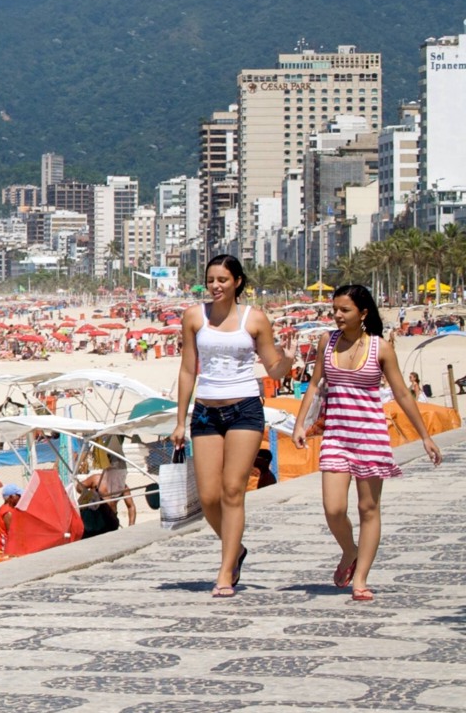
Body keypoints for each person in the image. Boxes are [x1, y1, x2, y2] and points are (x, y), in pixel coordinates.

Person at [292, 281, 442, 604]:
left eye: (344, 310)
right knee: (334, 509)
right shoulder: (326, 342)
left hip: (370, 436)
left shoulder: (379, 347)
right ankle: (351, 551)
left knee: (368, 508)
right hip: (336, 436)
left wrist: (426, 437)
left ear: (363, 313)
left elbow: (402, 392)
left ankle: (360, 578)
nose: (337, 316)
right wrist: (300, 425)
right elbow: (315, 385)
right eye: (334, 310)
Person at [169, 254, 294, 597]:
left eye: (223, 279)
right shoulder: (195, 316)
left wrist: (289, 359)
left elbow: (273, 369)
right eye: (211, 280)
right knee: (209, 496)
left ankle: (225, 572)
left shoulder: (254, 319)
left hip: (245, 410)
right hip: (206, 411)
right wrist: (181, 419)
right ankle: (235, 548)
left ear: (237, 281)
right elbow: (186, 369)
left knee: (232, 490)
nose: (216, 286)